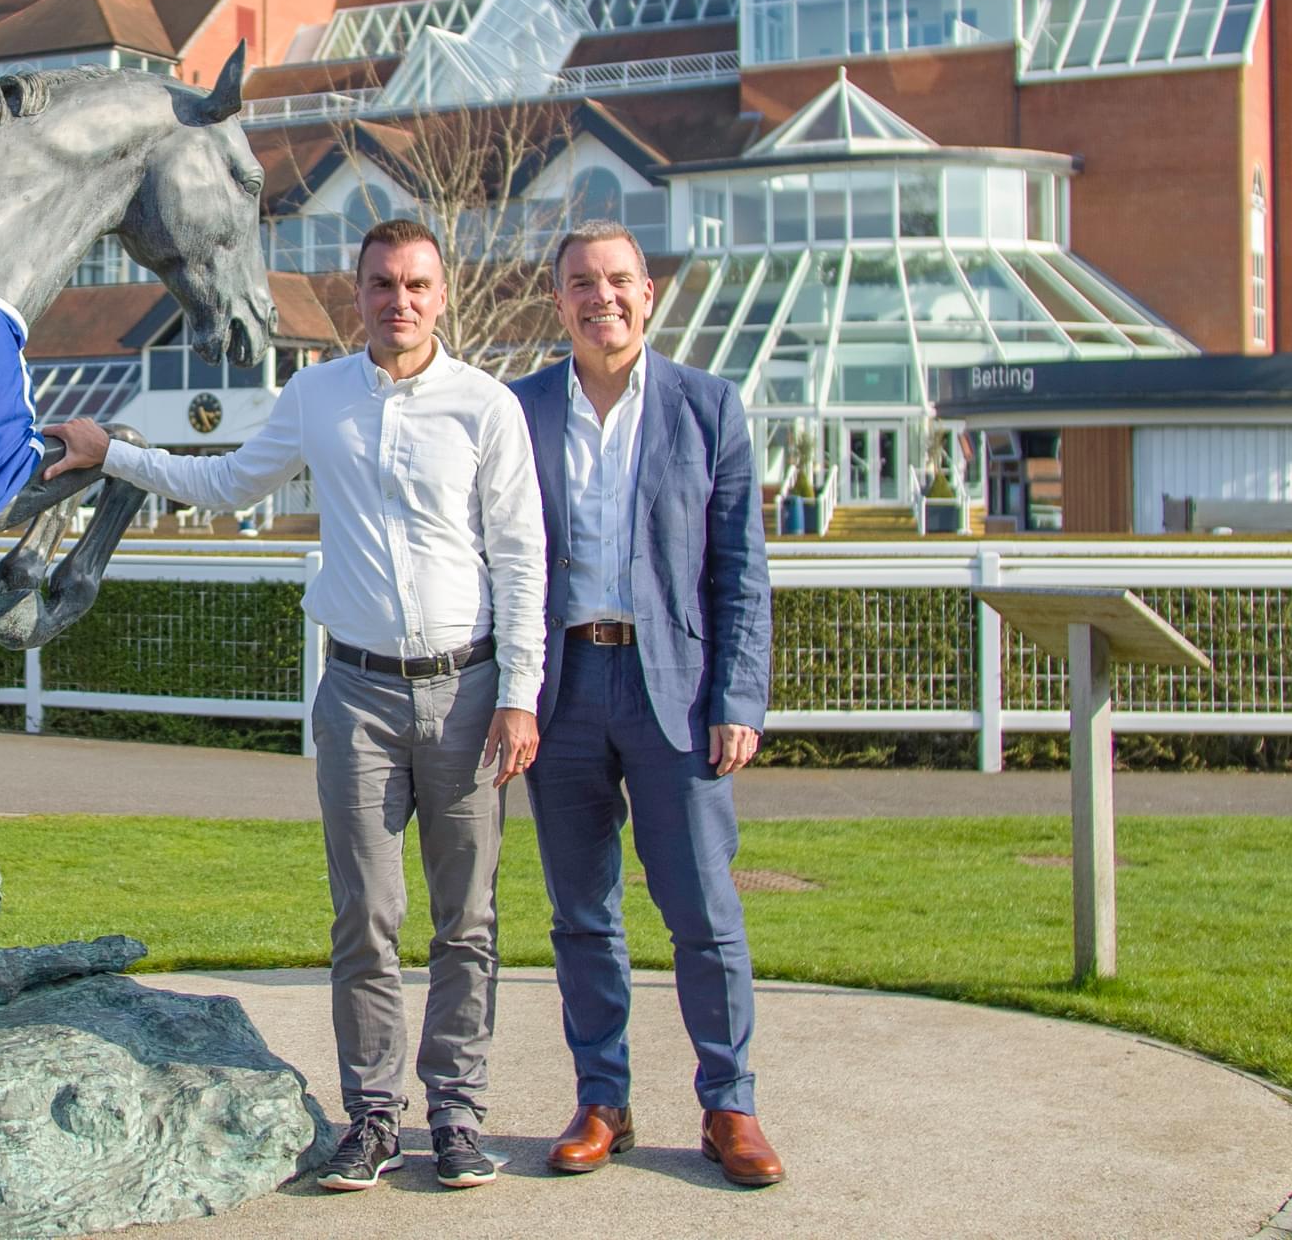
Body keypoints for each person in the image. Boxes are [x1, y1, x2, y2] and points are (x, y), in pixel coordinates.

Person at [45, 219, 545, 1194]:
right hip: (355, 693)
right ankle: (372, 1116)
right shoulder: (316, 395)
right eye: (381, 284)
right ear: (354, 294)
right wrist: (115, 451)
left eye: (415, 284)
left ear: (441, 294)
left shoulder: (485, 407)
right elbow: (227, 480)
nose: (398, 300)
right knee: (366, 915)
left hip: (468, 692)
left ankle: (457, 1113)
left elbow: (522, 556)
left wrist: (520, 695)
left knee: (467, 920)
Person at [509, 220, 784, 1189]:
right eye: (581, 281)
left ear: (650, 291)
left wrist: (738, 694)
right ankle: (603, 1099)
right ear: (558, 299)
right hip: (563, 689)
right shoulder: (520, 408)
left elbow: (742, 573)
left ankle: (731, 1103)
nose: (602, 296)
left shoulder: (711, 407)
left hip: (679, 693)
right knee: (583, 911)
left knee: (704, 909)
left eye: (619, 279)